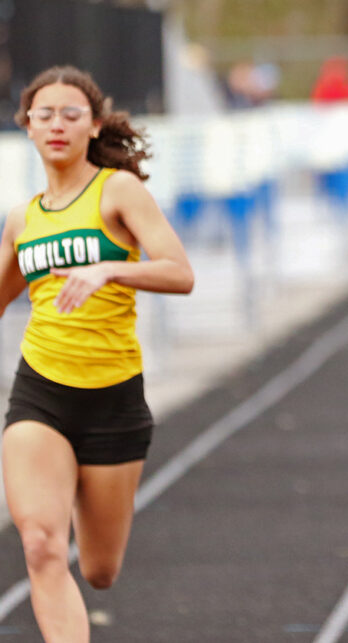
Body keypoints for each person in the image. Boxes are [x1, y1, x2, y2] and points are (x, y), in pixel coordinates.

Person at [2, 65, 194, 641]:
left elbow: (180, 273)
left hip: (113, 398)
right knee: (39, 544)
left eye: (71, 114)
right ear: (27, 127)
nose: (57, 124)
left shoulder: (118, 190)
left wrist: (109, 268)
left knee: (100, 571)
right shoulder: (22, 220)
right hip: (41, 391)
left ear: (93, 126)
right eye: (45, 115)